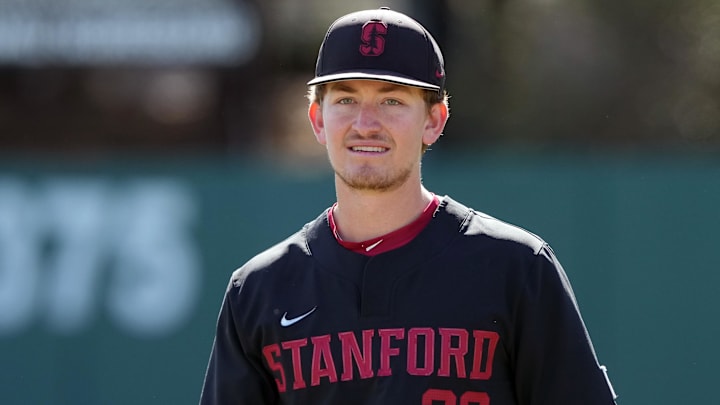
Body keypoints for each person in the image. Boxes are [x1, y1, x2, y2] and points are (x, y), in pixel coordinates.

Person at [199, 7, 618, 405]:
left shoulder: (516, 268)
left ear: (434, 120)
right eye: (345, 99)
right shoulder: (258, 290)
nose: (365, 123)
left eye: (392, 100)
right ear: (318, 119)